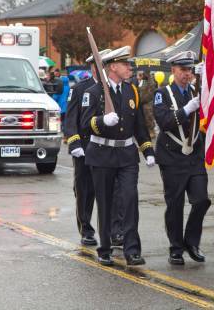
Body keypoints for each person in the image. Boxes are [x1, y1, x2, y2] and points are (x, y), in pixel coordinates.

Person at [81, 46, 155, 267]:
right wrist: (102, 121)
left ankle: (132, 250)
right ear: (113, 67)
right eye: (125, 64)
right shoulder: (94, 93)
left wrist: (148, 150)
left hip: (126, 155)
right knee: (105, 203)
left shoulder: (131, 90)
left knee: (130, 200)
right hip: (102, 155)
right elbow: (85, 125)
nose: (130, 68)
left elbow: (139, 124)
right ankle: (105, 249)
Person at [153, 51, 211, 266]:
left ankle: (192, 242)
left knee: (202, 200)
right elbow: (164, 121)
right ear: (173, 70)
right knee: (175, 204)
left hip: (194, 156)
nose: (187, 74)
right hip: (172, 157)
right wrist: (187, 109)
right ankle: (176, 248)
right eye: (183, 70)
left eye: (190, 70)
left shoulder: (197, 92)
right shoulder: (163, 93)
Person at [64, 49, 111, 247]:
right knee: (85, 190)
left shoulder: (112, 87)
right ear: (93, 67)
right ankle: (86, 228)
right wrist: (74, 142)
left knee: (110, 190)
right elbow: (71, 118)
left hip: (107, 148)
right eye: (99, 65)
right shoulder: (81, 88)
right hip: (85, 146)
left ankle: (112, 231)